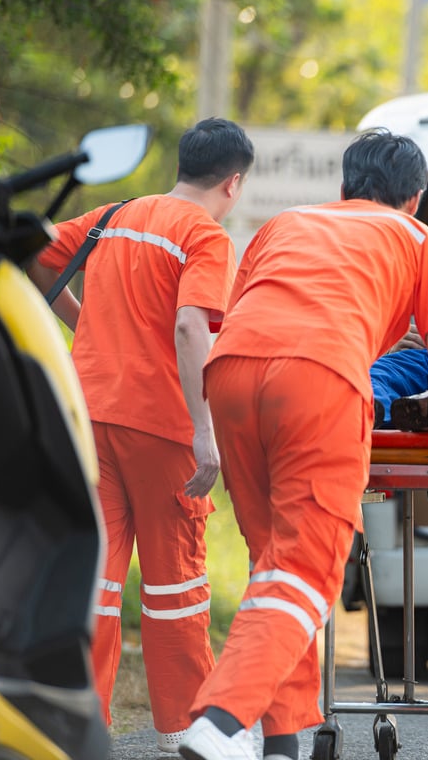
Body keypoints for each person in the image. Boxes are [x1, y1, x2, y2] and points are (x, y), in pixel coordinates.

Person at [177, 128, 428, 760]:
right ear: (416, 199)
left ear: (343, 189)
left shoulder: (285, 223)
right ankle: (221, 721)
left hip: (231, 372)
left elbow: (248, 309)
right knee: (308, 566)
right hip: (319, 378)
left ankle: (281, 742)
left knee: (274, 564)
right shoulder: (423, 243)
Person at [26, 118, 255, 753]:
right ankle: (187, 728)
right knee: (175, 585)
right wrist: (205, 434)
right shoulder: (205, 236)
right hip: (161, 429)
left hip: (89, 414)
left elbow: (37, 254)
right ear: (233, 183)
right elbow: (191, 329)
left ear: (183, 164)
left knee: (94, 580)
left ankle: (80, 721)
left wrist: (84, 327)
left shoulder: (114, 216)